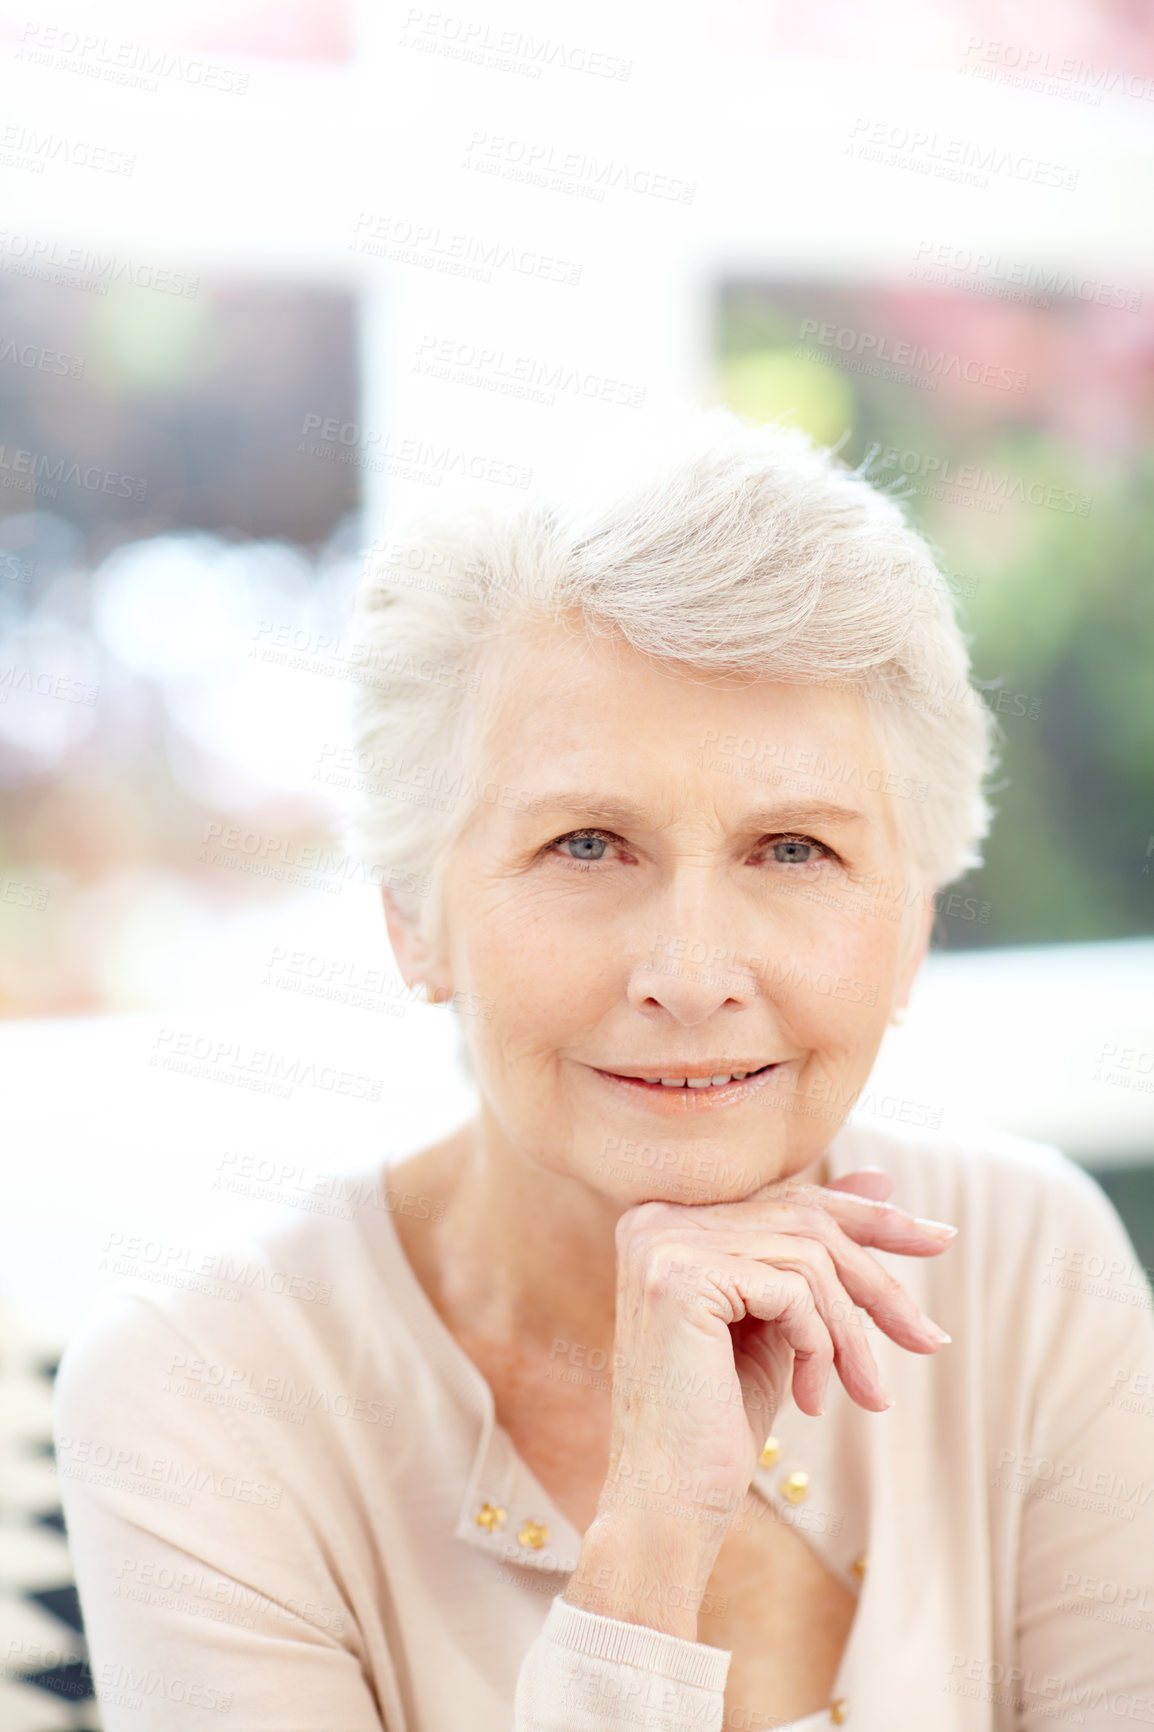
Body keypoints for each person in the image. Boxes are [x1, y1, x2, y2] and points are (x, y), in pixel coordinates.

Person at [55, 410, 1154, 1730]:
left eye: (792, 849)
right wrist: (645, 1550)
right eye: (586, 845)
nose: (690, 975)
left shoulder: (1028, 1265)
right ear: (413, 911)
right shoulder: (203, 1387)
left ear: (912, 919)